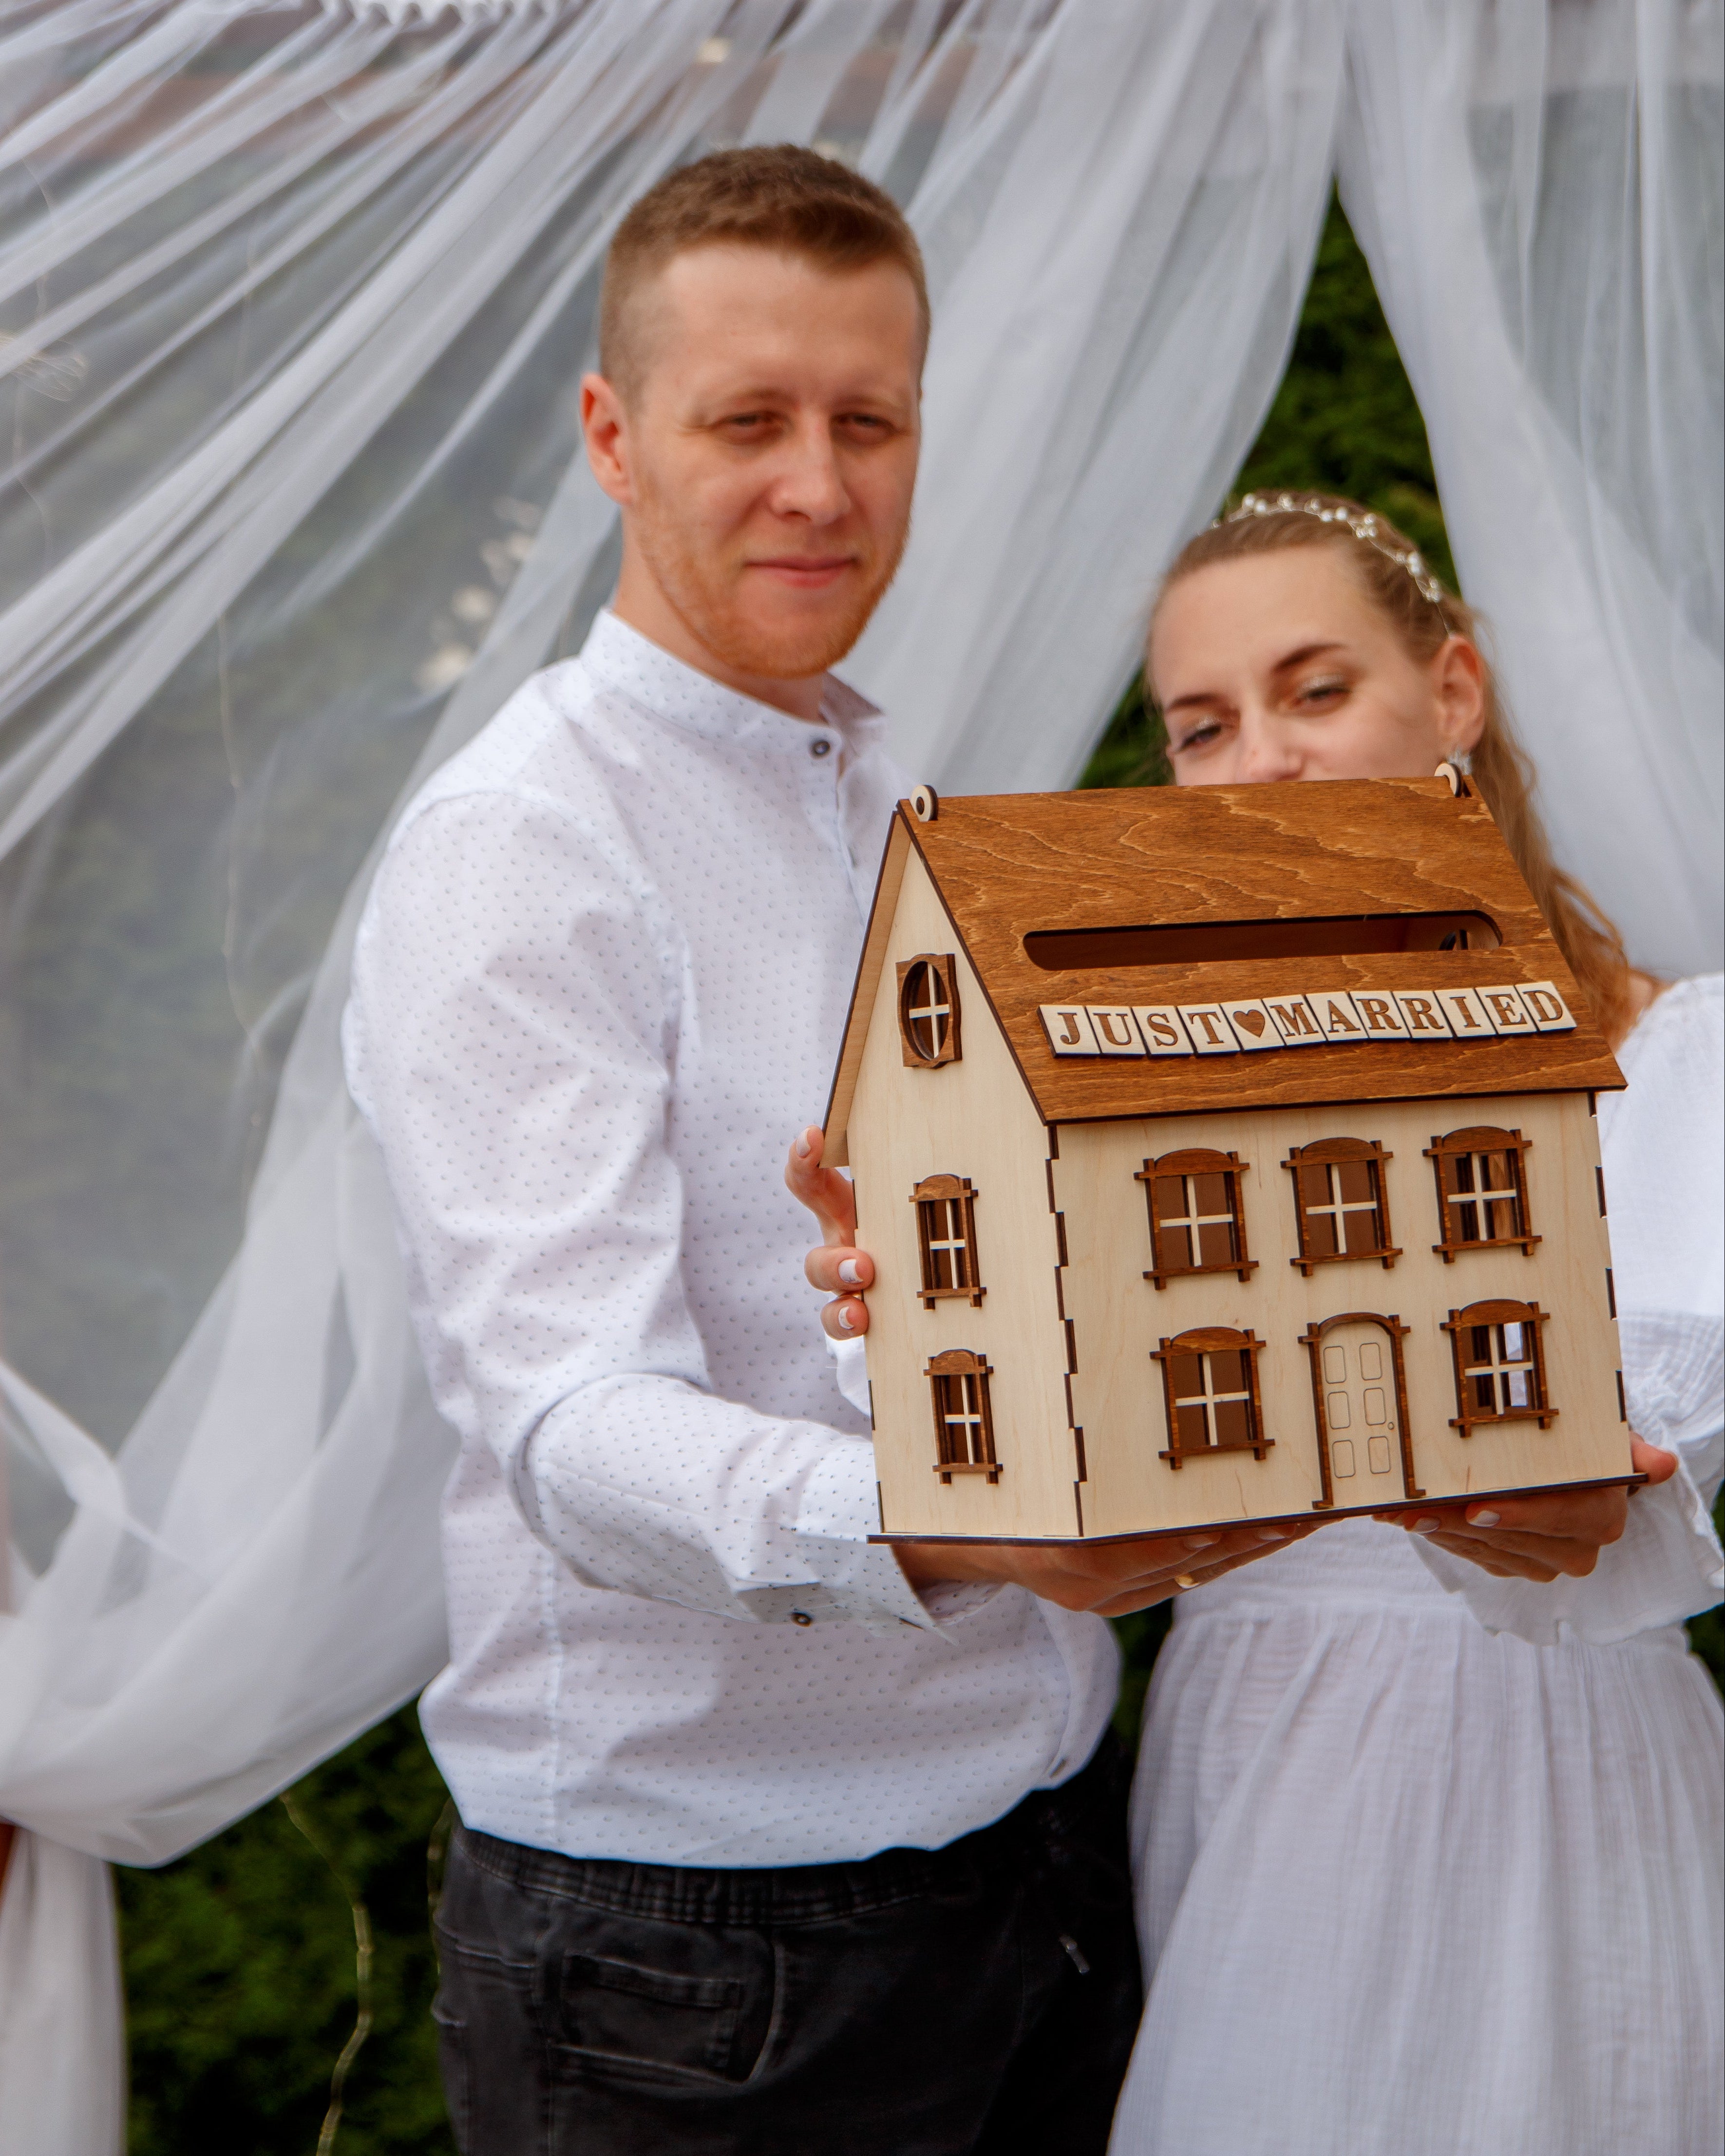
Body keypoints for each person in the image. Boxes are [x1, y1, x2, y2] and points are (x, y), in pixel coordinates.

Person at [344, 147, 1314, 2156]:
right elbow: (566, 1422)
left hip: (1041, 1861)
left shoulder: (898, 799)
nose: (819, 483)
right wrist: (970, 1529)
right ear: (614, 437)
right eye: (749, 421)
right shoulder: (526, 842)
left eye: (867, 421)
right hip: (701, 1951)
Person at [799, 491, 1723, 2156]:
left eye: (1315, 691)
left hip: (1557, 1764)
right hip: (1259, 1749)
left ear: (1452, 692)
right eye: (1204, 726)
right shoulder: (1110, 1096)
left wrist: (1585, 1486)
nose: (1262, 763)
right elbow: (1066, 1411)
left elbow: (1650, 1440)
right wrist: (919, 1309)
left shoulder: (1682, 1065)